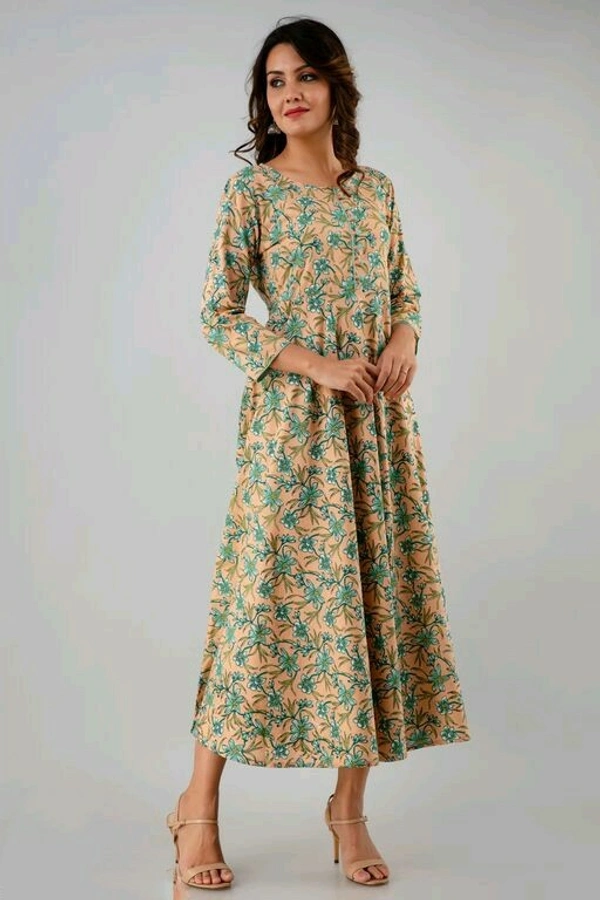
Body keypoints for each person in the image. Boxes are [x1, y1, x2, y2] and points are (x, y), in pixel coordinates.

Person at [166, 15, 471, 893]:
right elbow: (219, 314)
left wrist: (404, 336)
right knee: (254, 608)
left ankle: (348, 812)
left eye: (304, 75)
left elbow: (405, 289)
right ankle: (196, 808)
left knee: (369, 603)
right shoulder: (252, 194)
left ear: (337, 85)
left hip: (375, 428)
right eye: (274, 81)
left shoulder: (375, 191)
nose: (289, 92)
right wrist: (316, 364)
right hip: (291, 430)